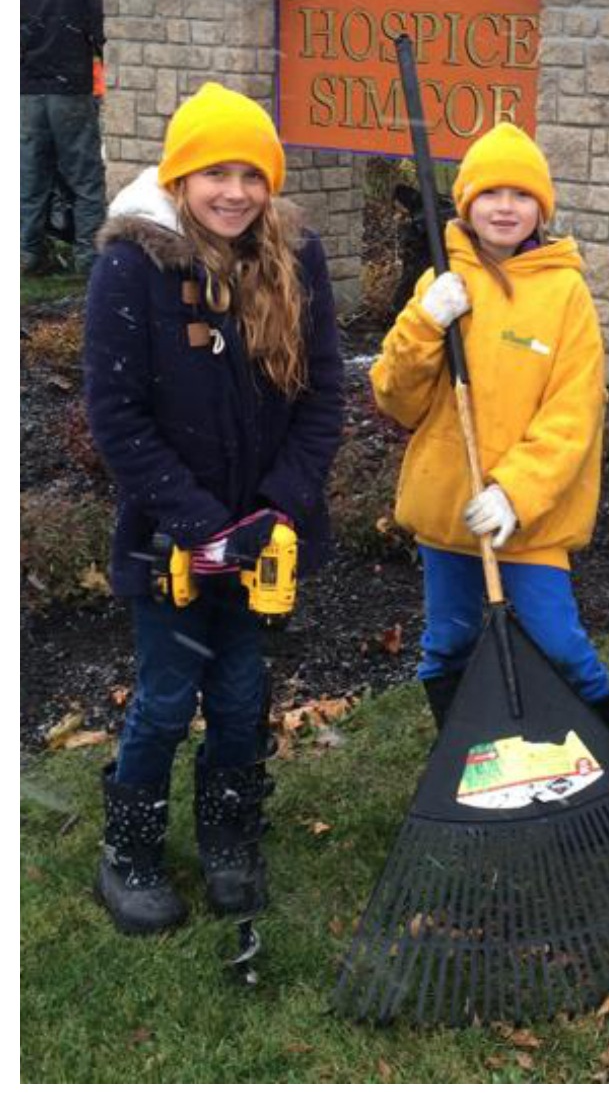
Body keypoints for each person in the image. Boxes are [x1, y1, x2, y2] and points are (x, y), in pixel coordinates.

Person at [82, 83, 341, 935]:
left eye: (251, 174)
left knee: (240, 696)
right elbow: (116, 417)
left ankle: (230, 838)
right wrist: (199, 524)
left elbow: (324, 396)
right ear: (180, 176)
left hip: (265, 536)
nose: (234, 191)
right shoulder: (133, 266)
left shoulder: (296, 259)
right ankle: (130, 851)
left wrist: (280, 507)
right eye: (213, 173)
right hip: (174, 544)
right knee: (164, 698)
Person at [371, 122, 609, 730]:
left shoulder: (565, 294)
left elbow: (573, 413)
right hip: (450, 512)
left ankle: (601, 762)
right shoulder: (440, 284)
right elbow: (396, 398)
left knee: (559, 646)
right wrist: (424, 325)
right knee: (447, 644)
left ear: (542, 207)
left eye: (521, 195)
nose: (505, 208)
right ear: (466, 201)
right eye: (490, 193)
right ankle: (461, 759)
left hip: (531, 518)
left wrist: (514, 492)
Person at [23, 0, 108, 273]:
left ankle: (26, 254)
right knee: (85, 176)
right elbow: (100, 33)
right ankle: (88, 256)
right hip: (70, 93)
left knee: (29, 176)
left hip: (25, 97)